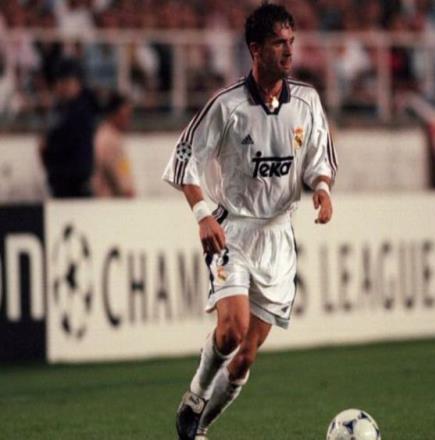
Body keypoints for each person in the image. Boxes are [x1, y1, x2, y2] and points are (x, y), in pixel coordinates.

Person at [162, 3, 338, 440]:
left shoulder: (307, 101)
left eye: (292, 42)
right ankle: (195, 396)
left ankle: (199, 428)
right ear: (255, 49)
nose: (289, 51)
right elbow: (184, 160)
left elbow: (320, 159)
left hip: (278, 237)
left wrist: (321, 188)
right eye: (279, 43)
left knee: (245, 357)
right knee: (231, 331)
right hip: (233, 230)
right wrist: (202, 214)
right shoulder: (226, 106)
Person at [39, 57, 97, 198]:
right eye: (60, 82)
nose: (63, 87)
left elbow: (66, 142)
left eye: (67, 82)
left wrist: (48, 147)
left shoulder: (82, 109)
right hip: (60, 181)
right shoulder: (59, 109)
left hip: (76, 182)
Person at [92, 92, 135, 197]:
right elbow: (114, 174)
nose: (128, 121)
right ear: (114, 114)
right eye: (125, 116)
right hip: (112, 200)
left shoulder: (113, 137)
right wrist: (127, 193)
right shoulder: (107, 139)